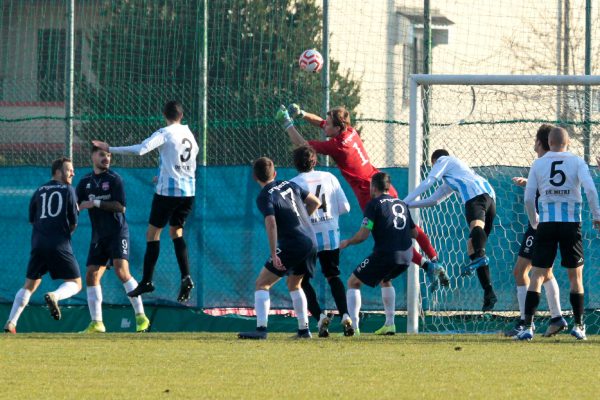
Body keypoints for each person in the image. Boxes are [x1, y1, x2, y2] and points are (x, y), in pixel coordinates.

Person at [276, 104, 448, 335]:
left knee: (361, 270)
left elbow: (304, 147)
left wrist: (288, 124)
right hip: (386, 187)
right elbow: (323, 125)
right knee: (406, 231)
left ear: (338, 127)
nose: (324, 124)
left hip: (371, 194)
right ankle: (431, 262)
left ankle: (354, 327)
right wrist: (304, 114)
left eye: (328, 122)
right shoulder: (350, 132)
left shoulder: (337, 147)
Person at [92, 100, 199, 303]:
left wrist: (110, 148)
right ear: (181, 116)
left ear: (164, 115)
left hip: (169, 192)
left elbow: (141, 149)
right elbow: (187, 158)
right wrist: (163, 173)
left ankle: (147, 280)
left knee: (152, 234)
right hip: (188, 191)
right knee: (176, 231)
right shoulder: (189, 135)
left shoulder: (165, 133)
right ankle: (186, 276)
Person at [515, 127, 600, 341]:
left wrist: (535, 219)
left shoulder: (539, 163)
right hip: (571, 224)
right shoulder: (577, 161)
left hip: (547, 224)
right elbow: (590, 189)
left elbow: (528, 197)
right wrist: (597, 215)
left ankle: (527, 327)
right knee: (575, 276)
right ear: (568, 142)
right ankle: (579, 327)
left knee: (537, 275)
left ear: (548, 143)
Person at [404, 149, 497, 312]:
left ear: (435, 161)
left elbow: (429, 181)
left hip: (475, 195)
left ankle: (481, 256)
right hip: (489, 196)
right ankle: (489, 292)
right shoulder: (454, 177)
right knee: (472, 246)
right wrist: (408, 205)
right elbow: (433, 201)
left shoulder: (444, 160)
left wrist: (403, 200)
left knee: (476, 229)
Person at [238, 157, 321, 340]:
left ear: (254, 177)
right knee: (294, 283)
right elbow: (315, 202)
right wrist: (301, 221)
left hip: (294, 243)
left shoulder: (264, 196)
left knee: (262, 283)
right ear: (275, 174)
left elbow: (271, 223)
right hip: (311, 241)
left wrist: (274, 250)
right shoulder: (289, 184)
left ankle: (260, 330)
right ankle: (303, 330)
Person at [76, 146, 150, 333]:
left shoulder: (114, 179)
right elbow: (75, 204)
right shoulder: (84, 182)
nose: (106, 158)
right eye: (102, 154)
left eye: (108, 155)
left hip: (117, 232)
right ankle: (97, 323)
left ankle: (141, 317)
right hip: (98, 236)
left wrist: (95, 203)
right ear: (92, 156)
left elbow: (120, 207)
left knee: (121, 271)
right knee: (91, 274)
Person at [4, 158, 82, 333]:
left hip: (38, 243)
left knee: (29, 285)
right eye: (69, 170)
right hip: (59, 243)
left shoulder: (38, 191)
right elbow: (74, 222)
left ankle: (11, 323)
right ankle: (55, 295)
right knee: (75, 284)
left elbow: (32, 220)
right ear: (58, 172)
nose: (73, 173)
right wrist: (62, 236)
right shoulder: (69, 190)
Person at [504, 125, 566, 337]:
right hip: (556, 224)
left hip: (538, 226)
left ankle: (524, 322)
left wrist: (535, 223)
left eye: (535, 141)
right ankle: (556, 317)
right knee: (545, 272)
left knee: (521, 271)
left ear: (541, 143)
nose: (533, 146)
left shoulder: (540, 164)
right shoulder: (557, 164)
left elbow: (535, 195)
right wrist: (528, 183)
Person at [339, 172, 417, 336]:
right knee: (385, 279)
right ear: (389, 187)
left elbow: (363, 235)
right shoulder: (402, 204)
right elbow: (414, 233)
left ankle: (354, 329)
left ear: (373, 187)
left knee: (353, 282)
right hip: (406, 256)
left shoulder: (374, 204)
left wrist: (348, 242)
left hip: (386, 254)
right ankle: (390, 324)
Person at [290, 145, 353, 337]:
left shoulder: (293, 183)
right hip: (330, 235)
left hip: (307, 239)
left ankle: (319, 317)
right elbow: (345, 207)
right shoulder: (330, 177)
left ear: (295, 164)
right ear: (315, 161)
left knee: (300, 281)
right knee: (333, 275)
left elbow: (293, 214)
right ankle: (345, 315)